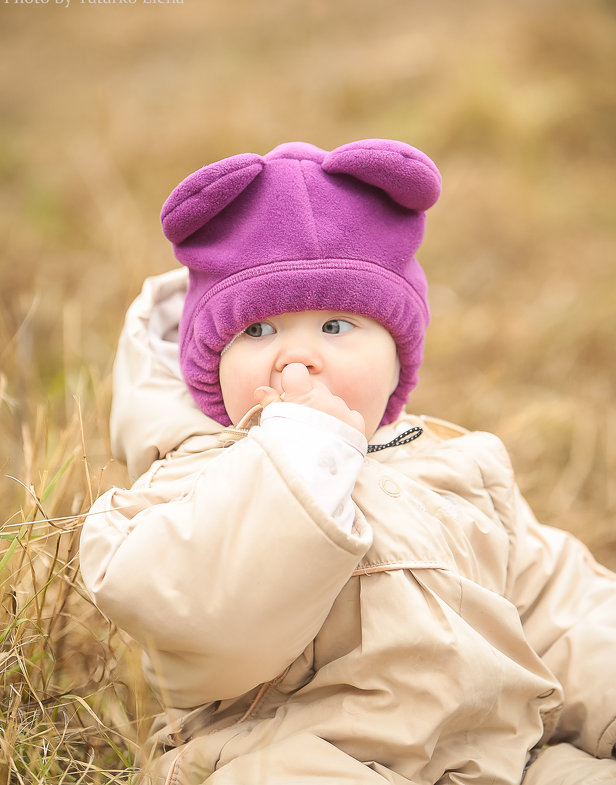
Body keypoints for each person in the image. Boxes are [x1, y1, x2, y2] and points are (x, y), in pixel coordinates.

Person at [79, 139, 616, 785]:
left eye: (336, 327)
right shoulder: (186, 486)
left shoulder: (452, 466)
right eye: (258, 330)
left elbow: (559, 607)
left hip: (503, 758)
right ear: (208, 367)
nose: (297, 357)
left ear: (397, 362)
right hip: (305, 756)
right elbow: (206, 619)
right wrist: (301, 453)